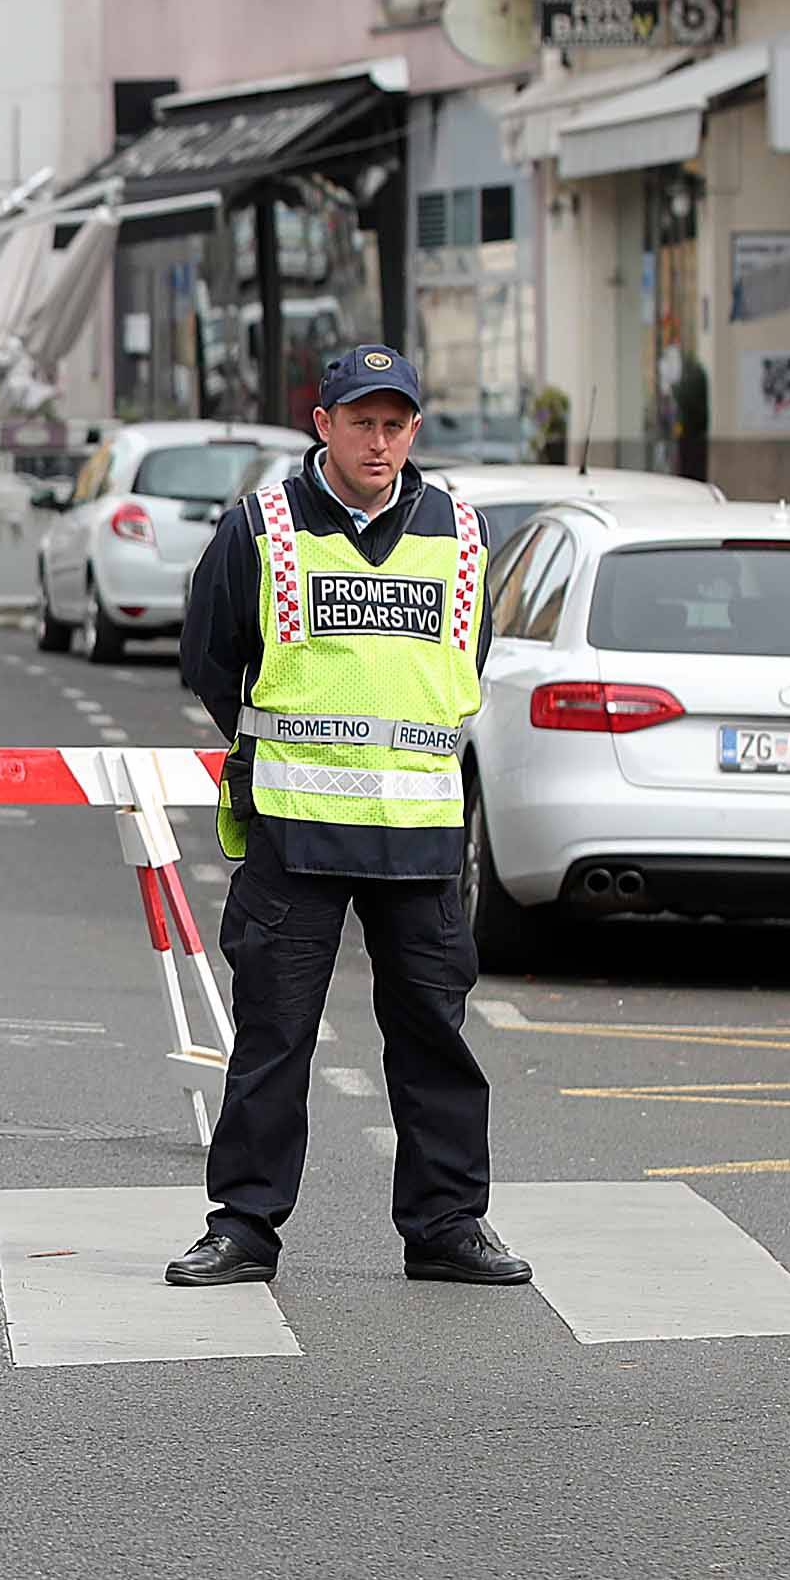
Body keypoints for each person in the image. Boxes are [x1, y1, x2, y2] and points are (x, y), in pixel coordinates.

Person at [170, 345, 532, 1293]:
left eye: (396, 423)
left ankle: (448, 1227)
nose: (380, 441)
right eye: (361, 422)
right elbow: (211, 656)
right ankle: (244, 1228)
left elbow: (466, 660)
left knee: (434, 1041)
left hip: (420, 838)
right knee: (273, 1040)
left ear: (416, 429)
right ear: (321, 425)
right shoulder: (262, 527)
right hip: (295, 834)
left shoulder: (460, 528)